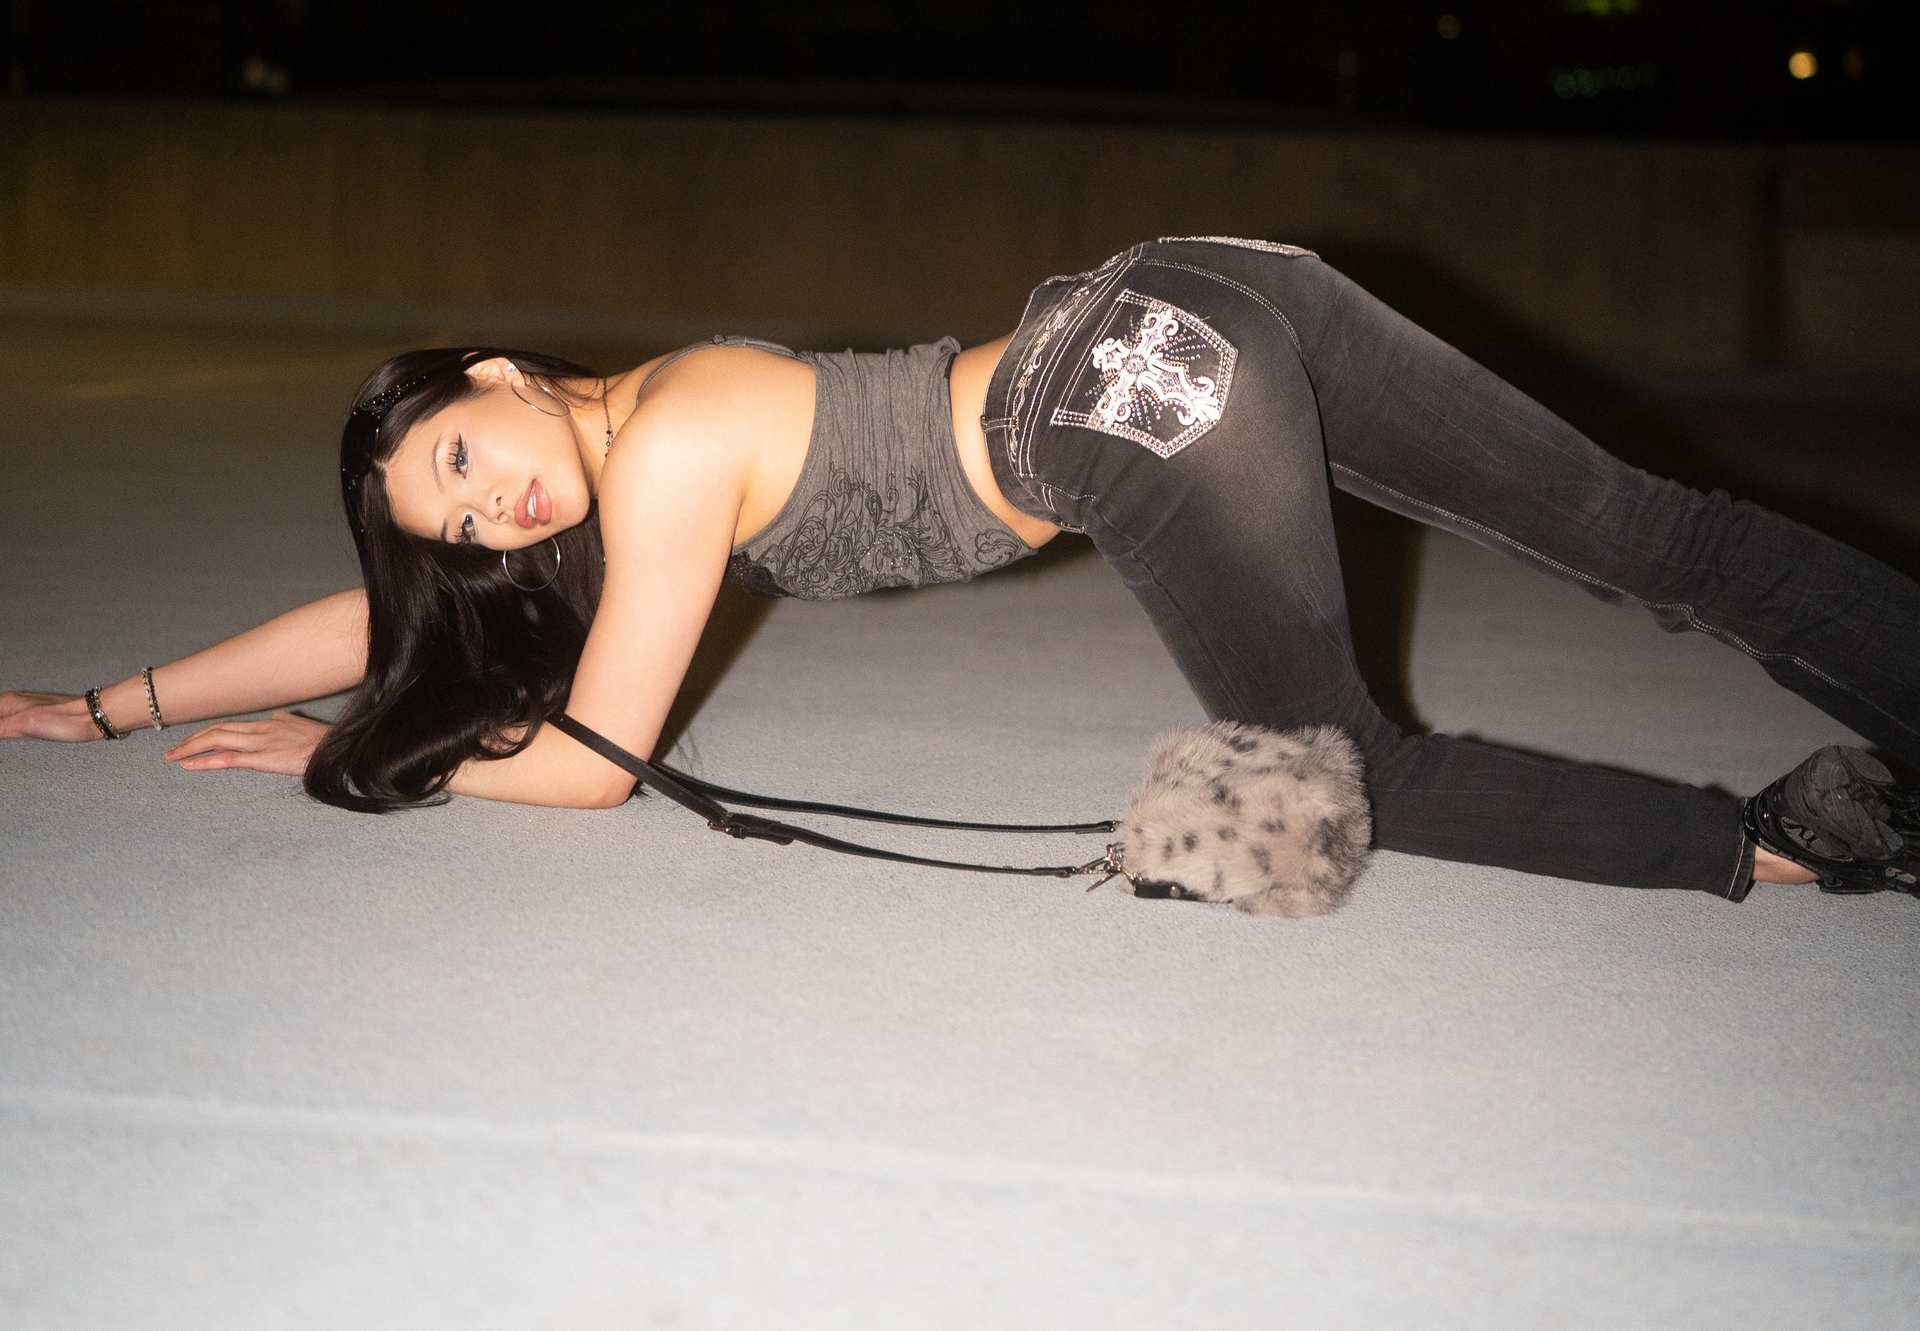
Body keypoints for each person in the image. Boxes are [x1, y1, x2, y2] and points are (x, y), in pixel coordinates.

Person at [6, 238, 1916, 901]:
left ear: (494, 376)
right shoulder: (634, 428)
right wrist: (115, 703)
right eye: (458, 519)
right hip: (1204, 282)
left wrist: (365, 757)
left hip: (1134, 402)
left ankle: (1779, 845)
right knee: (1653, 535)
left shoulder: (662, 454)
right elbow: (390, 617)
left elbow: (591, 771)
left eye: (457, 459)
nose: (487, 511)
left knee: (1341, 773)